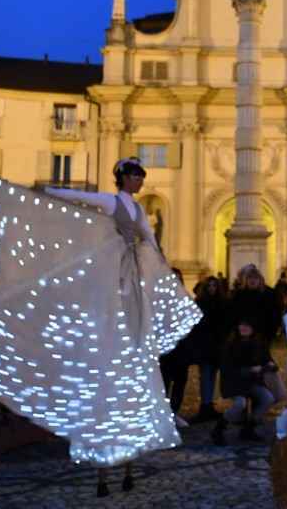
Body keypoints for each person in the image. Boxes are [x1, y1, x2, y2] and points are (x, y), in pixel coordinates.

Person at [38, 157, 202, 497]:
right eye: (136, 176)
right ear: (124, 178)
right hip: (114, 274)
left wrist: (162, 275)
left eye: (142, 177)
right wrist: (49, 190)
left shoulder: (140, 212)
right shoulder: (112, 202)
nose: (140, 181)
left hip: (132, 278)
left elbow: (152, 244)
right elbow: (80, 199)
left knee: (132, 320)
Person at [212, 320, 277, 445]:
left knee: (268, 398)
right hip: (234, 383)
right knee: (240, 404)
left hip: (252, 382)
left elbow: (268, 361)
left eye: (247, 325)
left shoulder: (258, 344)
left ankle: (249, 428)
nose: (244, 328)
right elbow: (227, 369)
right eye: (241, 325)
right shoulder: (230, 345)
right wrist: (249, 370)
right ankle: (219, 429)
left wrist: (269, 366)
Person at [189, 276, 230, 423]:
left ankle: (209, 404)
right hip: (205, 345)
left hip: (217, 345)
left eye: (214, 286)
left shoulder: (223, 303)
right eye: (209, 286)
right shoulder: (200, 303)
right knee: (206, 375)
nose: (212, 288)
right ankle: (205, 405)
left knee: (212, 376)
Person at [159, 267, 194, 429]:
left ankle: (174, 412)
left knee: (180, 383)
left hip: (182, 349)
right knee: (164, 384)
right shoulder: (159, 298)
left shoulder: (186, 299)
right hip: (165, 349)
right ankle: (165, 414)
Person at [229, 266, 282, 343]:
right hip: (242, 333)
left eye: (255, 278)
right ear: (245, 280)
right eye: (250, 278)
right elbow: (233, 312)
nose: (252, 280)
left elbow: (275, 313)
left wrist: (272, 331)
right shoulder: (239, 294)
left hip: (263, 333)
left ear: (260, 280)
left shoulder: (269, 294)